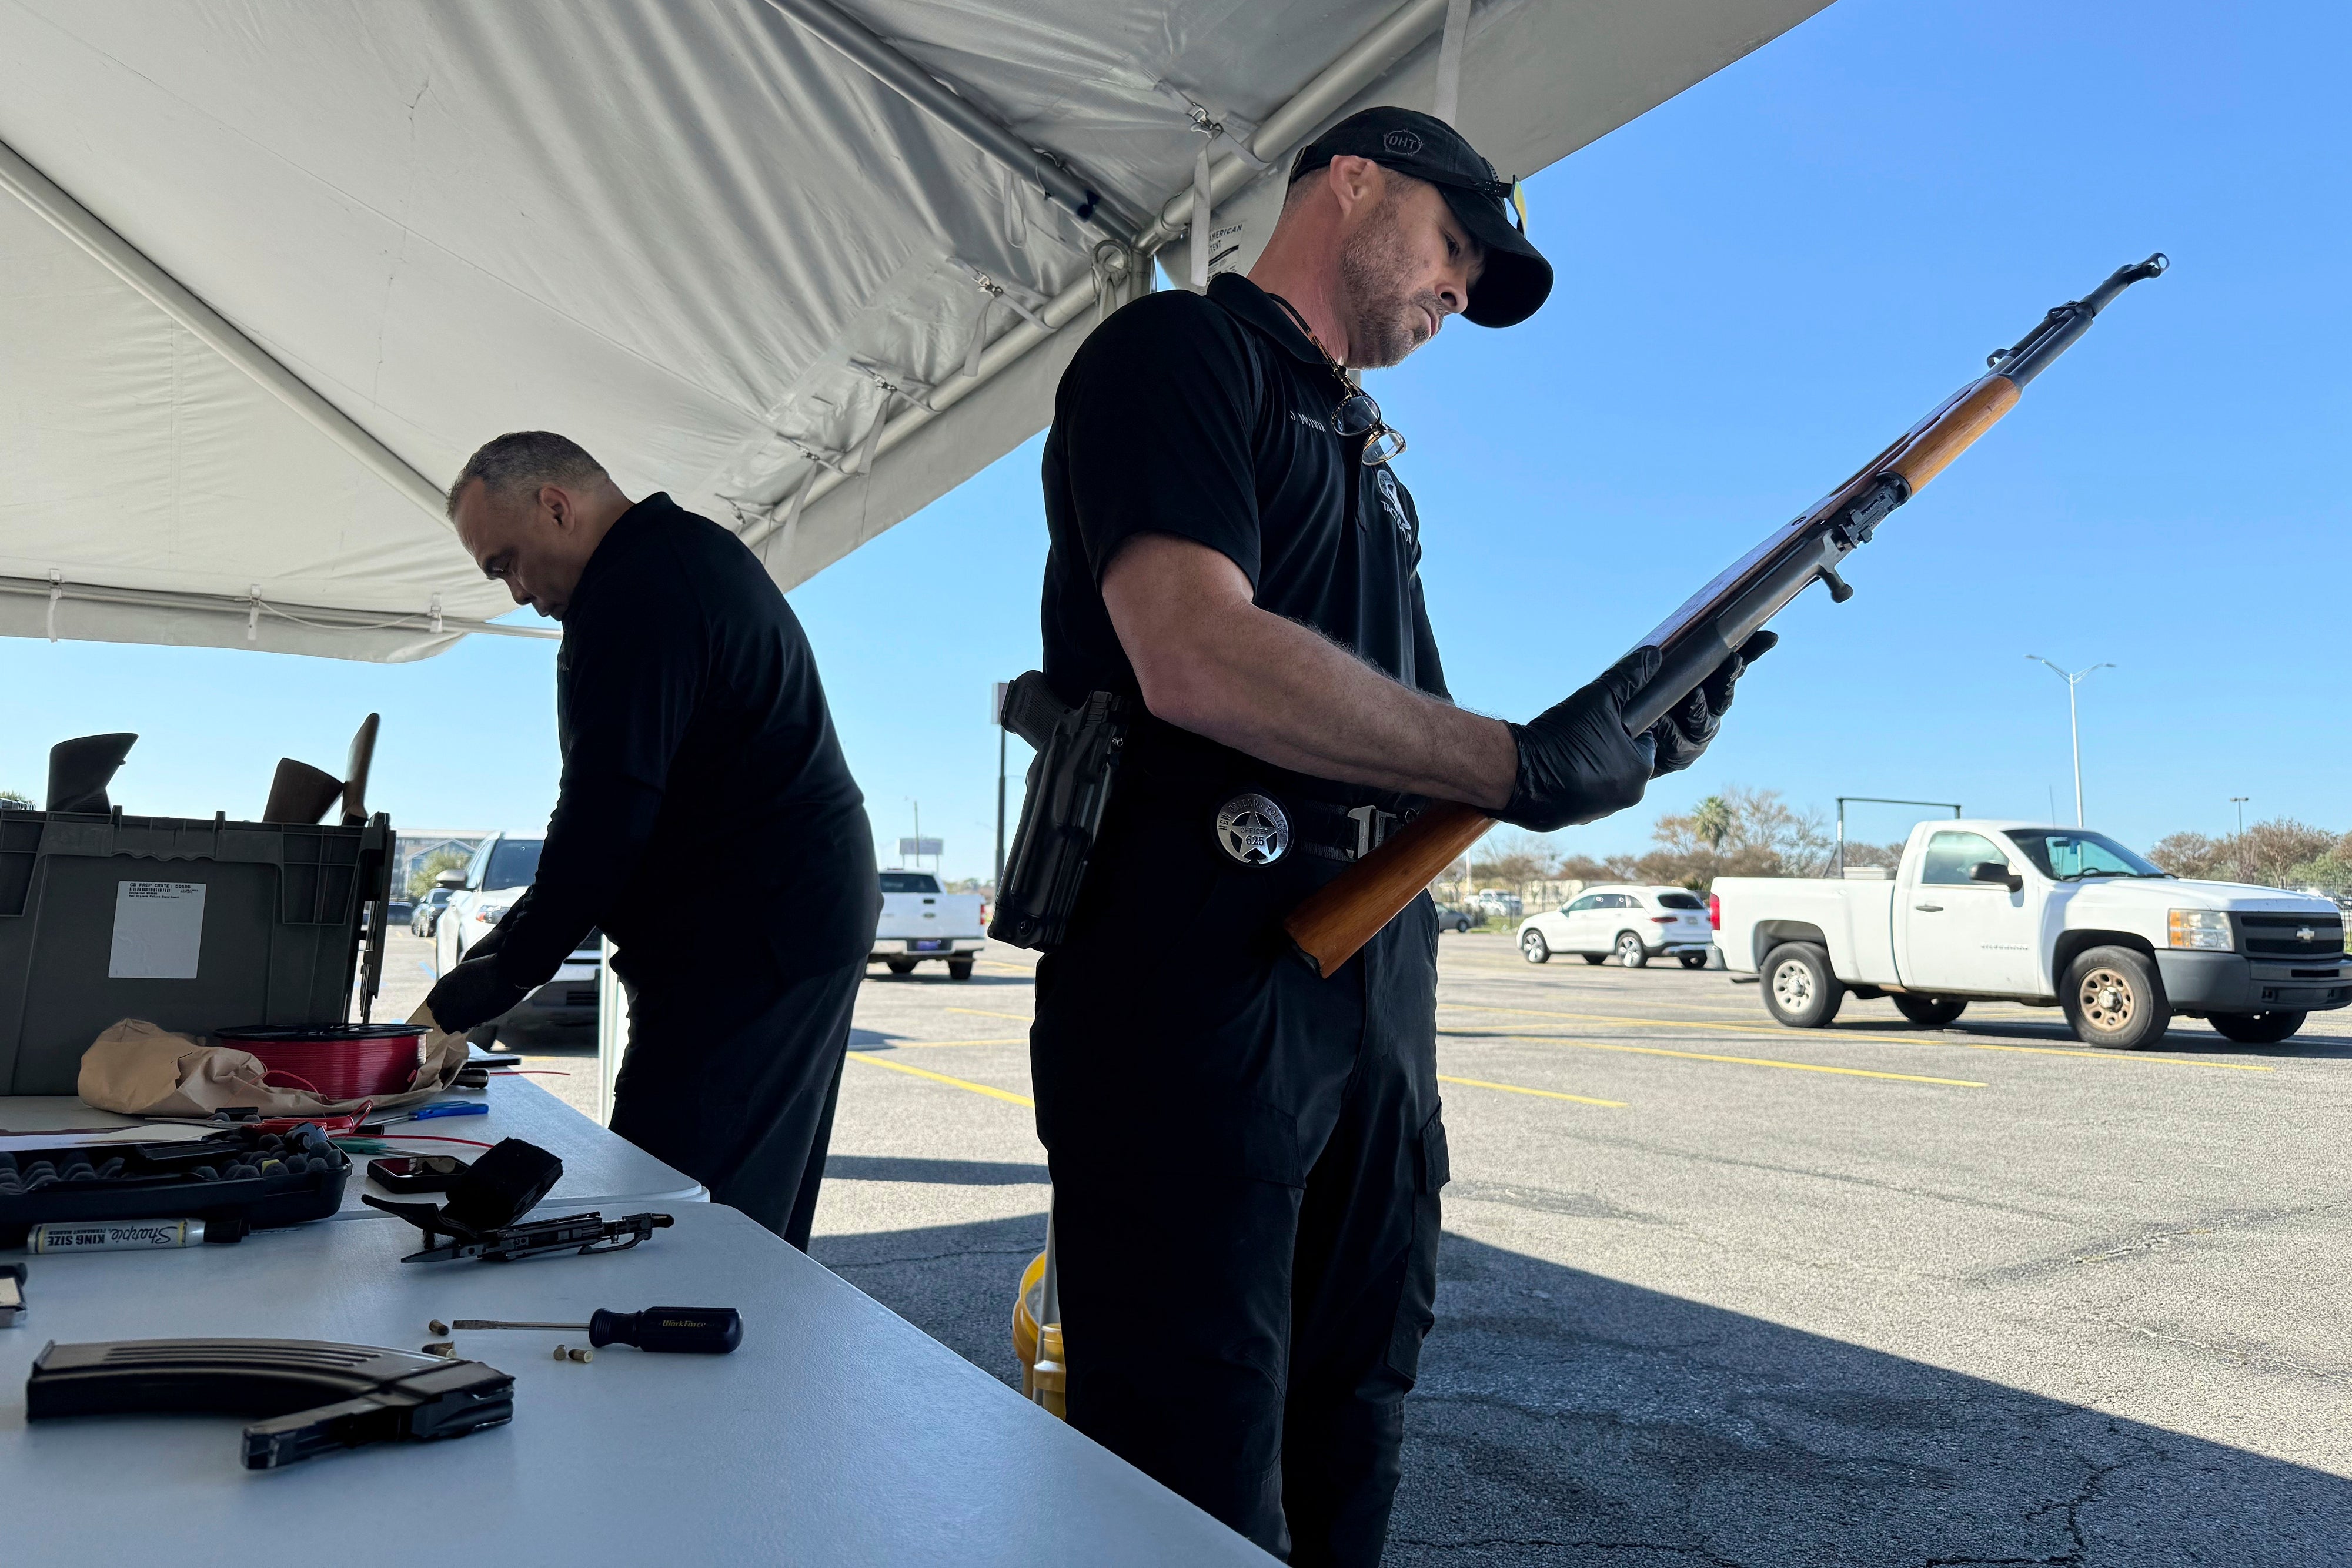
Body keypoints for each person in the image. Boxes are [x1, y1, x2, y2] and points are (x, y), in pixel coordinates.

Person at [1028, 108, 1772, 1564]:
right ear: (1348, 180)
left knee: (1349, 1422)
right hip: (1196, 983)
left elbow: (1400, 734)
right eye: (1453, 246)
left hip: (1370, 988)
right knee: (1188, 1452)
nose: (1457, 291)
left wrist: (1612, 744)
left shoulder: (1369, 453)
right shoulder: (1180, 355)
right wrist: (1511, 757)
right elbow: (1192, 651)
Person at [426, 432, 878, 1249]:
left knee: (675, 1221)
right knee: (730, 1212)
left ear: (557, 507)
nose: (517, 592)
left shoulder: (642, 589)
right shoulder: (671, 560)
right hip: (777, 922)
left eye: (507, 563)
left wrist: (461, 1002)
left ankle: (716, 1369)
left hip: (758, 938)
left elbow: (601, 828)